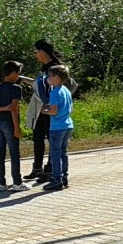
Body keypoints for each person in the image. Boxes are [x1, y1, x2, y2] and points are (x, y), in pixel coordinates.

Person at [26, 40, 65, 183]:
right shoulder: (45, 67)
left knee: (51, 138)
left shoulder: (56, 67)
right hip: (40, 109)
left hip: (50, 108)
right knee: (37, 137)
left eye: (36, 51)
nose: (35, 55)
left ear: (42, 51)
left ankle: (49, 170)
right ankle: (37, 168)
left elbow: (55, 88)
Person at [42, 64, 74, 192]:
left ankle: (56, 180)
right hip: (68, 124)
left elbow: (53, 111)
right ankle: (64, 177)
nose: (47, 78)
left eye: (50, 76)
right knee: (63, 152)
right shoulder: (66, 90)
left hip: (57, 127)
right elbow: (70, 108)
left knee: (55, 154)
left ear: (57, 77)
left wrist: (45, 109)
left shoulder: (54, 92)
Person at [0, 60, 29, 192]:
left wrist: (3, 108)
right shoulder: (16, 88)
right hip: (9, 122)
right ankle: (17, 182)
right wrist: (17, 128)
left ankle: (1, 182)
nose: (19, 76)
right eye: (18, 73)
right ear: (12, 73)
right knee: (14, 153)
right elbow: (13, 109)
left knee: (0, 153)